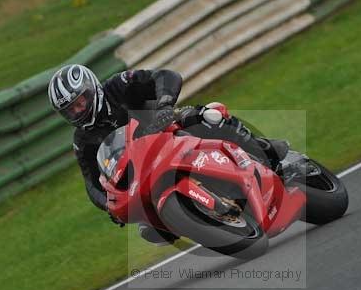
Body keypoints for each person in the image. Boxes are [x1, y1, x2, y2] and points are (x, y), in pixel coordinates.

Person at [48, 64, 290, 245]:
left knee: (208, 116)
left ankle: (263, 149)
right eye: (70, 109)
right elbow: (92, 183)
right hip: (143, 173)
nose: (78, 110)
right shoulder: (82, 140)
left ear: (92, 89)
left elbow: (166, 76)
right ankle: (200, 220)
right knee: (149, 230)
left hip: (168, 130)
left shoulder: (118, 86)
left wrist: (164, 105)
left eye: (80, 102)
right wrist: (108, 205)